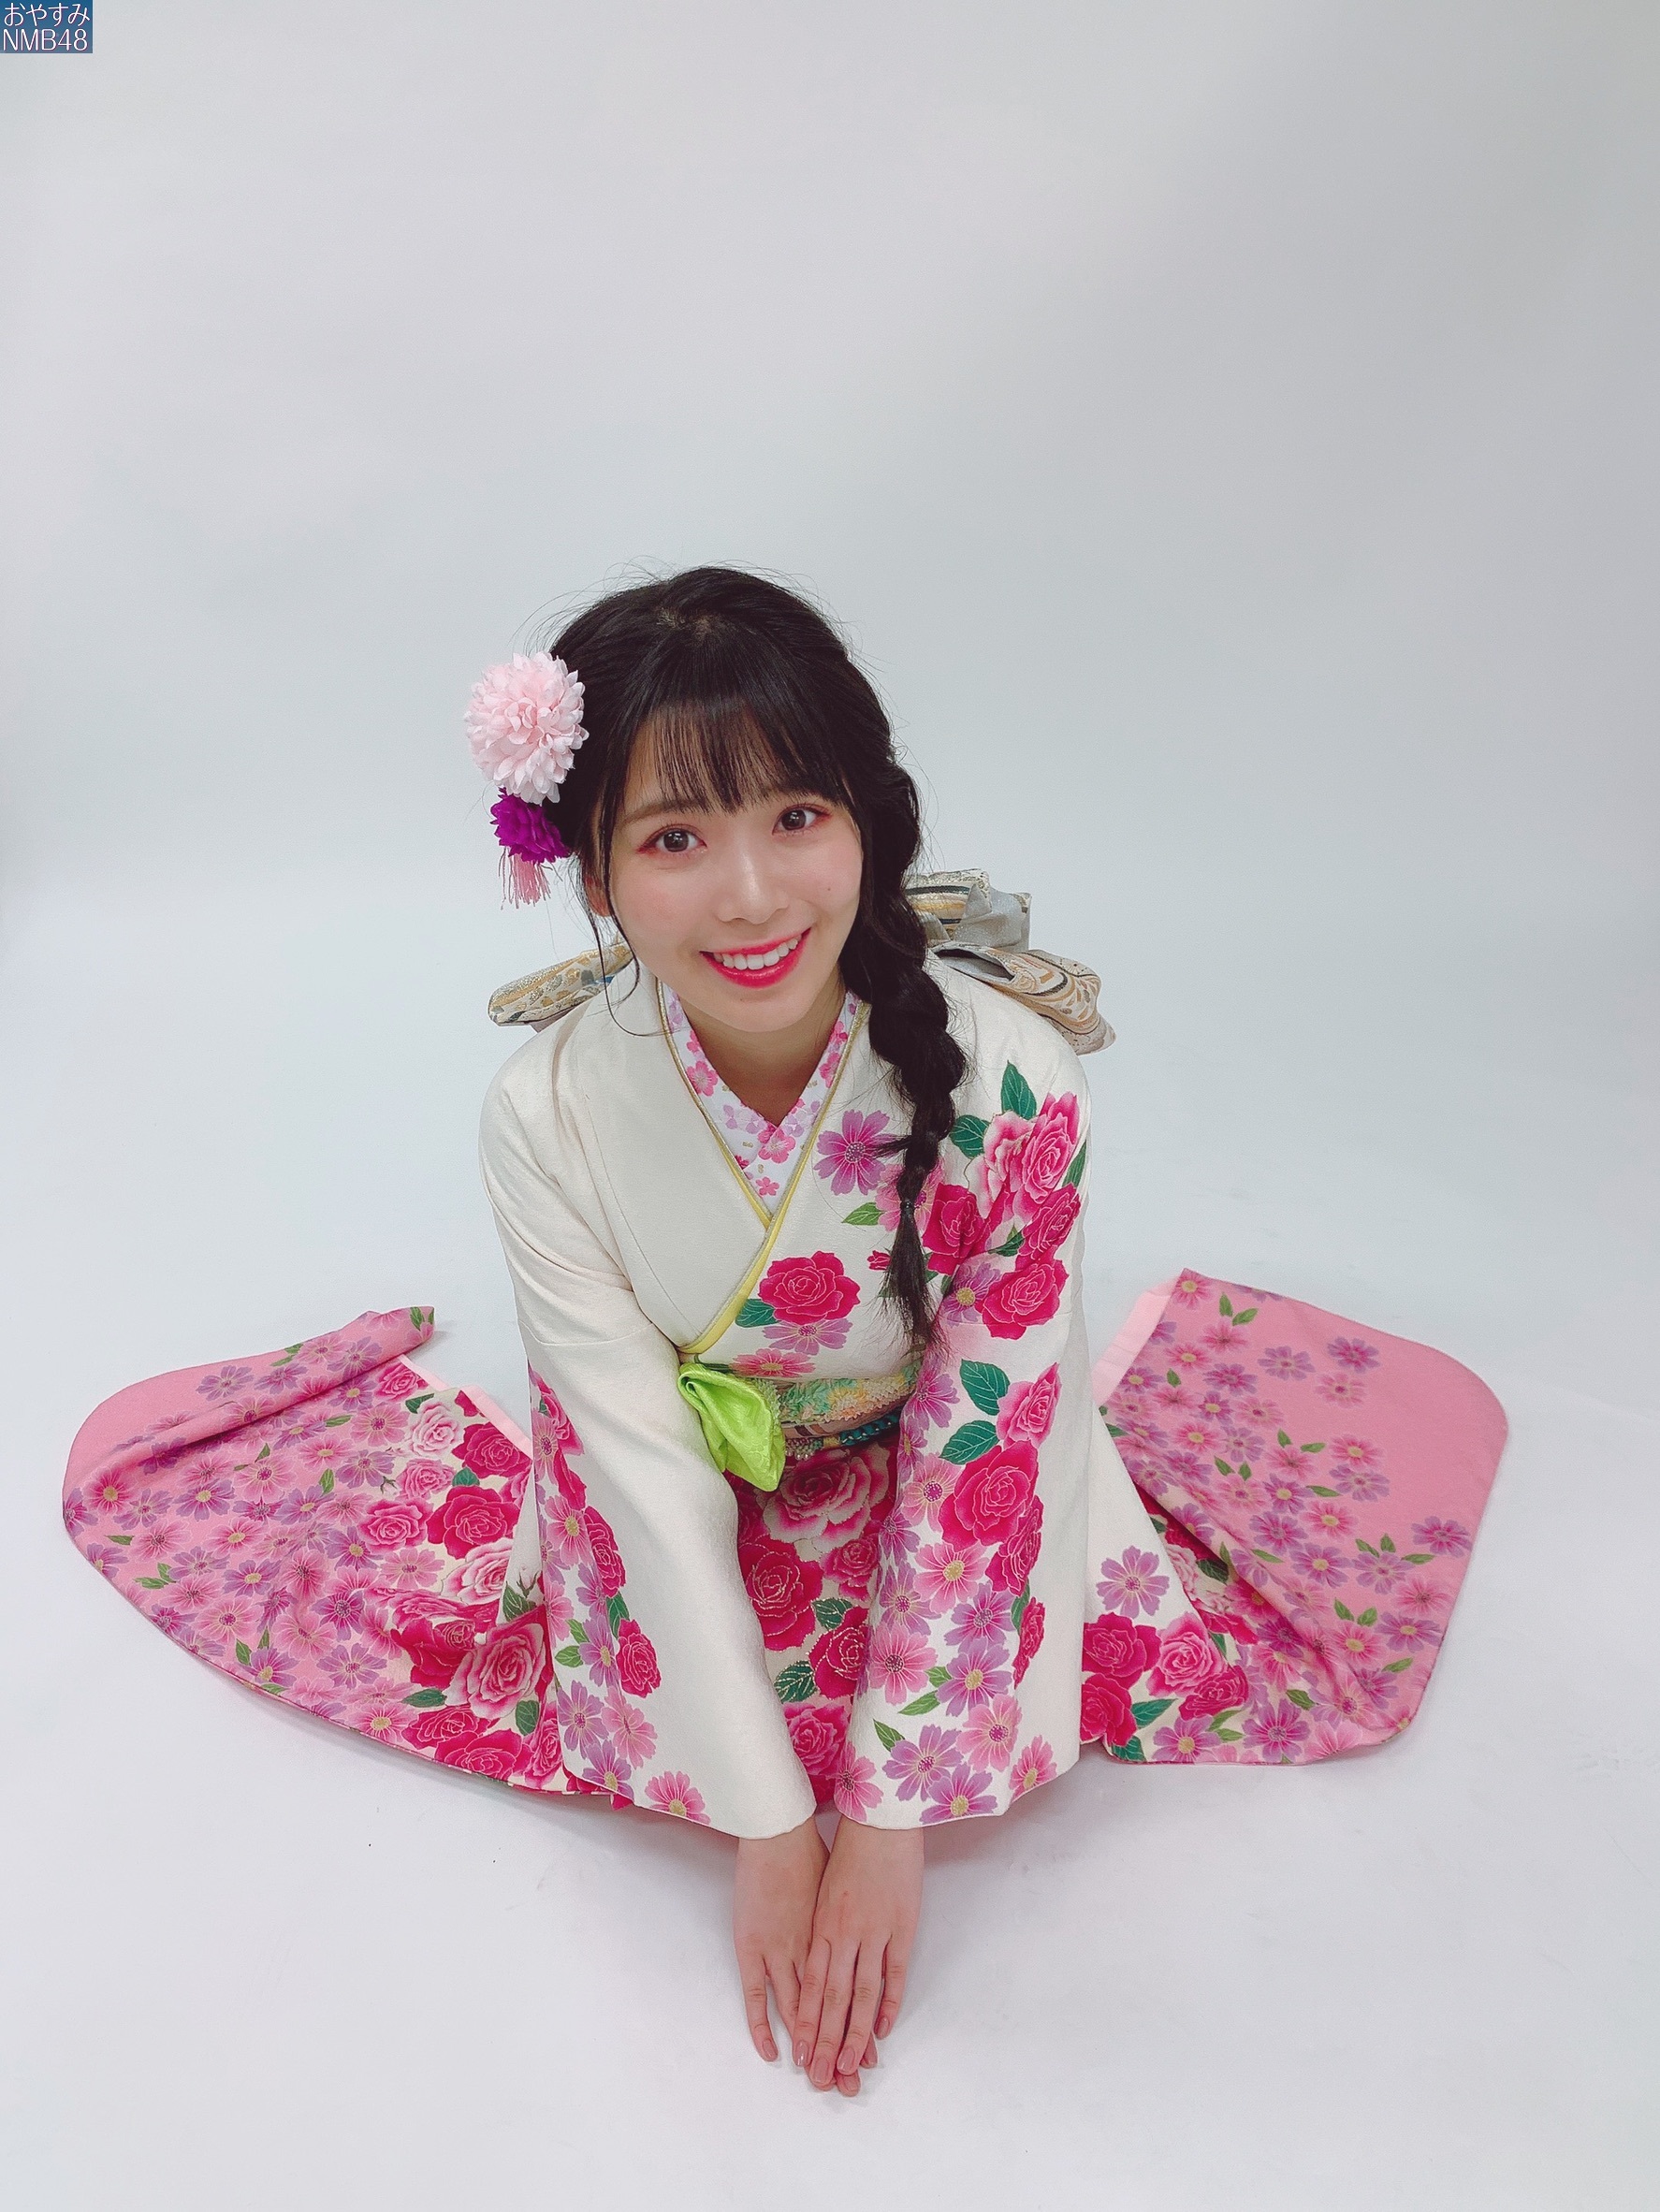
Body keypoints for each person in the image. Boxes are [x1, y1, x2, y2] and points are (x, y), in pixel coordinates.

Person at [61, 565, 1507, 2103]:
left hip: (951, 1467)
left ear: (869, 821)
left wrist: (889, 1821)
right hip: (682, 1476)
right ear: (587, 871)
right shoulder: (548, 1112)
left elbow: (991, 1438)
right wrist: (762, 1824)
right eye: (674, 838)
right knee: (624, 1649)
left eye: (796, 816)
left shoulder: (1012, 1083)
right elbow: (625, 1450)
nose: (751, 898)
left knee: (1053, 1613)